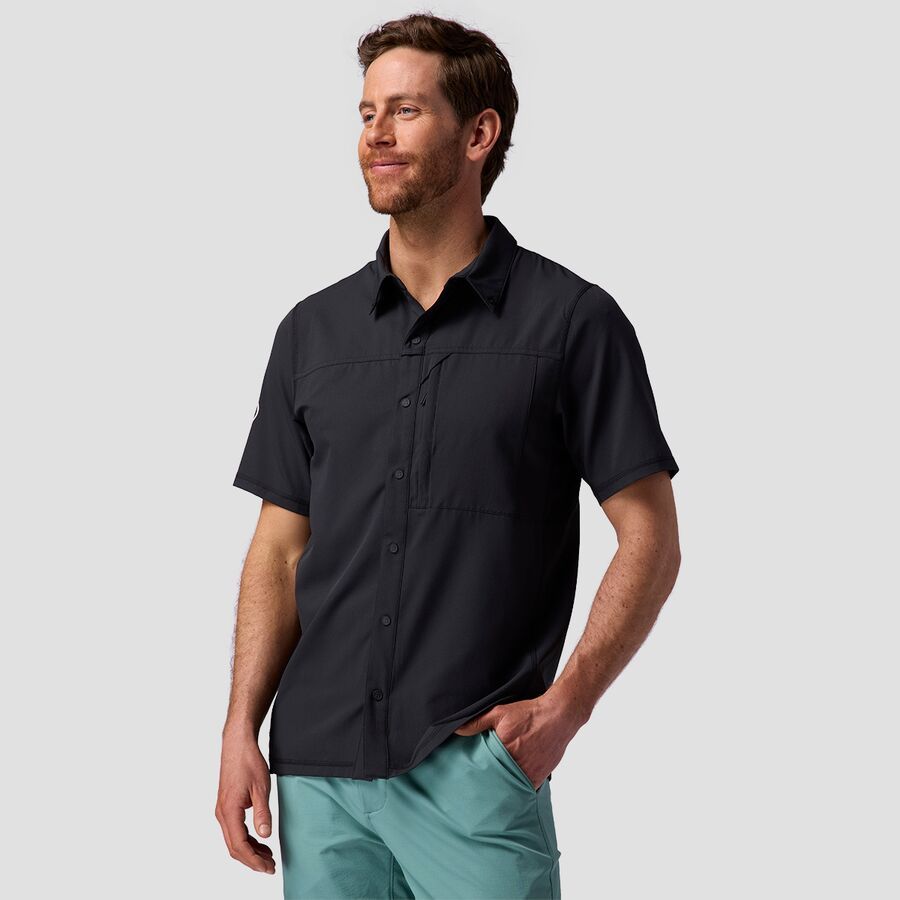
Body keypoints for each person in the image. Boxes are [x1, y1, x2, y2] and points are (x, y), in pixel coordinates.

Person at [216, 12, 681, 899]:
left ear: (478, 134)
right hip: (316, 776)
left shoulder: (572, 323)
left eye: (405, 111)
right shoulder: (310, 333)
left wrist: (567, 707)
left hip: (473, 768)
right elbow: (278, 550)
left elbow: (651, 536)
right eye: (366, 114)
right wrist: (242, 727)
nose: (376, 135)